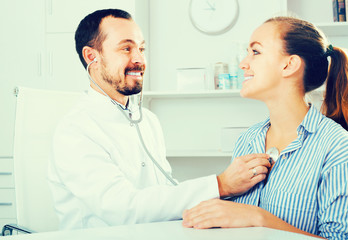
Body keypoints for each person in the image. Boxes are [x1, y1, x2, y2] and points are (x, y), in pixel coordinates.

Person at [47, 9, 271, 230]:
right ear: (92, 57)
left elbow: (164, 192)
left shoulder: (147, 121)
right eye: (126, 48)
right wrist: (221, 185)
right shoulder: (75, 131)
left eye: (141, 48)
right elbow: (123, 210)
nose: (139, 59)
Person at [182, 16, 348, 240]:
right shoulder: (248, 140)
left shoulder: (337, 147)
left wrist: (258, 218)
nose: (243, 63)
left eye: (255, 52)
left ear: (289, 65)